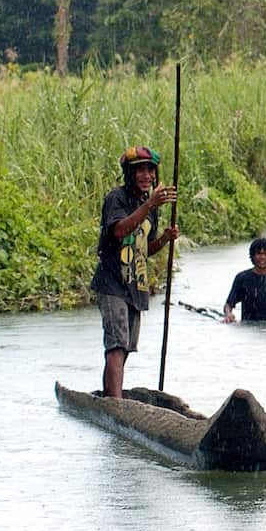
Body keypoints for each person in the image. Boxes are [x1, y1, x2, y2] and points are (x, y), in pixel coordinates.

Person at [90, 145, 179, 398]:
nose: (146, 176)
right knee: (116, 345)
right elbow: (119, 231)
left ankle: (112, 394)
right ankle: (114, 402)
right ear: (129, 174)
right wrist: (150, 204)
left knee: (126, 347)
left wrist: (163, 239)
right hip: (113, 283)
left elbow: (142, 249)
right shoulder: (116, 199)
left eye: (150, 170)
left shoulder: (149, 205)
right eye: (140, 170)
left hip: (135, 285)